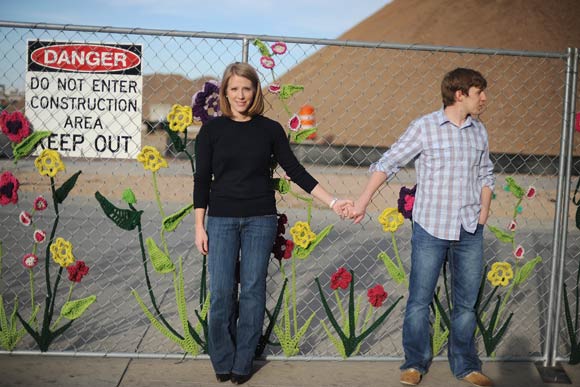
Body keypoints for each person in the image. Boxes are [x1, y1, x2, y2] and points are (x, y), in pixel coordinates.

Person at [193, 62, 352, 385]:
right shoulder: (211, 131)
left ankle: (243, 361)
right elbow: (201, 180)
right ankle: (222, 358)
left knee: (252, 290)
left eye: (246, 89)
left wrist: (333, 201)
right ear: (225, 92)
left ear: (255, 92)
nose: (240, 95)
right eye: (234, 89)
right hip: (221, 220)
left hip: (260, 220)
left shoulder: (270, 130)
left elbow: (295, 171)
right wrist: (199, 225)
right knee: (222, 291)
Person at [347, 68, 495, 387]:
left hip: (469, 229)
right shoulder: (424, 127)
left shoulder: (479, 131)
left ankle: (466, 365)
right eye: (478, 91)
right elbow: (388, 162)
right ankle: (414, 363)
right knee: (419, 300)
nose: (484, 98)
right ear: (460, 94)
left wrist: (483, 212)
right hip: (430, 228)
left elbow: (486, 174)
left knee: (466, 303)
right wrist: (362, 201)